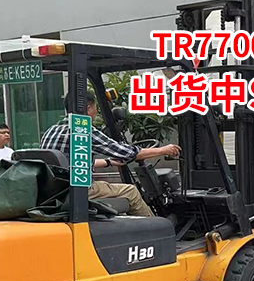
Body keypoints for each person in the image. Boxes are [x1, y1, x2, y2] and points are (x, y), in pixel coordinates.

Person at [40, 91, 180, 217]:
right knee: (131, 191)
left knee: (110, 187)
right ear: (88, 109)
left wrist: (108, 162)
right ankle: (158, 230)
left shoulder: (51, 131)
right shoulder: (82, 130)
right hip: (79, 191)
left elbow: (70, 163)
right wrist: (163, 150)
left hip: (55, 193)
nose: (96, 113)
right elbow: (126, 153)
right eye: (95, 108)